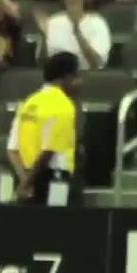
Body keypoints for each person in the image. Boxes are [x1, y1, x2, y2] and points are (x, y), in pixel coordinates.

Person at [8, 52, 80, 206]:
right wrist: (26, 184)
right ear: (67, 77)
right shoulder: (63, 105)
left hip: (27, 176)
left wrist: (24, 180)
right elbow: (48, 151)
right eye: (76, 77)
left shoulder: (28, 103)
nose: (78, 83)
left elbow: (12, 150)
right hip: (55, 180)